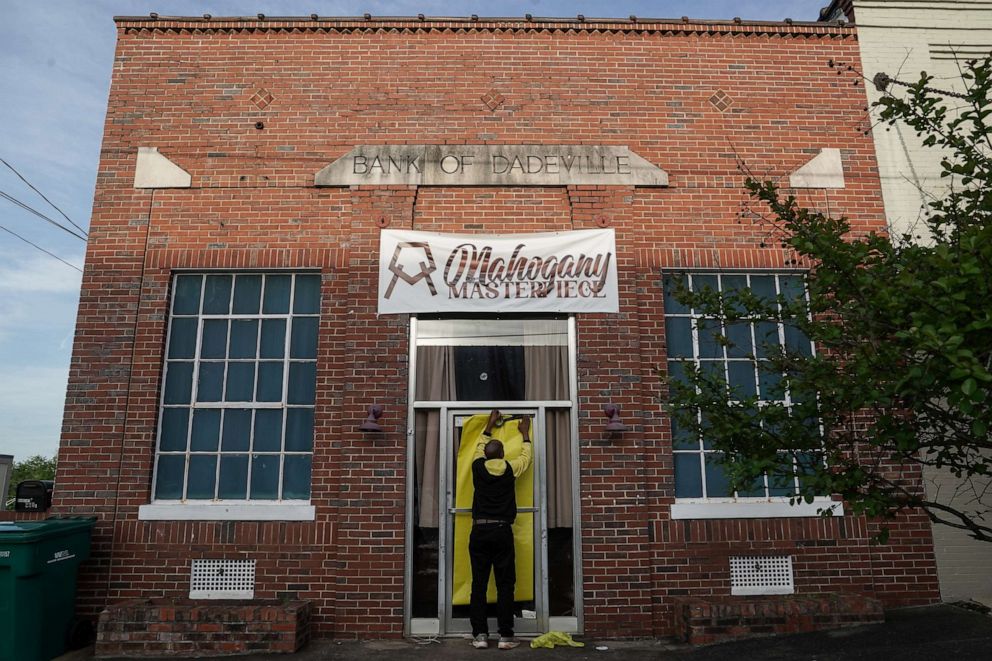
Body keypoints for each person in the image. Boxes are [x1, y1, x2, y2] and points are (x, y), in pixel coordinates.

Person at [469, 409, 532, 650]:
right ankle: (506, 636)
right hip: (502, 531)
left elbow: (478, 448)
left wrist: (488, 426)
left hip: (480, 532)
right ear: (503, 454)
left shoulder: (477, 468)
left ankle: (480, 636)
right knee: (505, 584)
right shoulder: (509, 468)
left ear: (485, 455)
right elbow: (526, 458)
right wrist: (525, 434)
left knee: (479, 584)